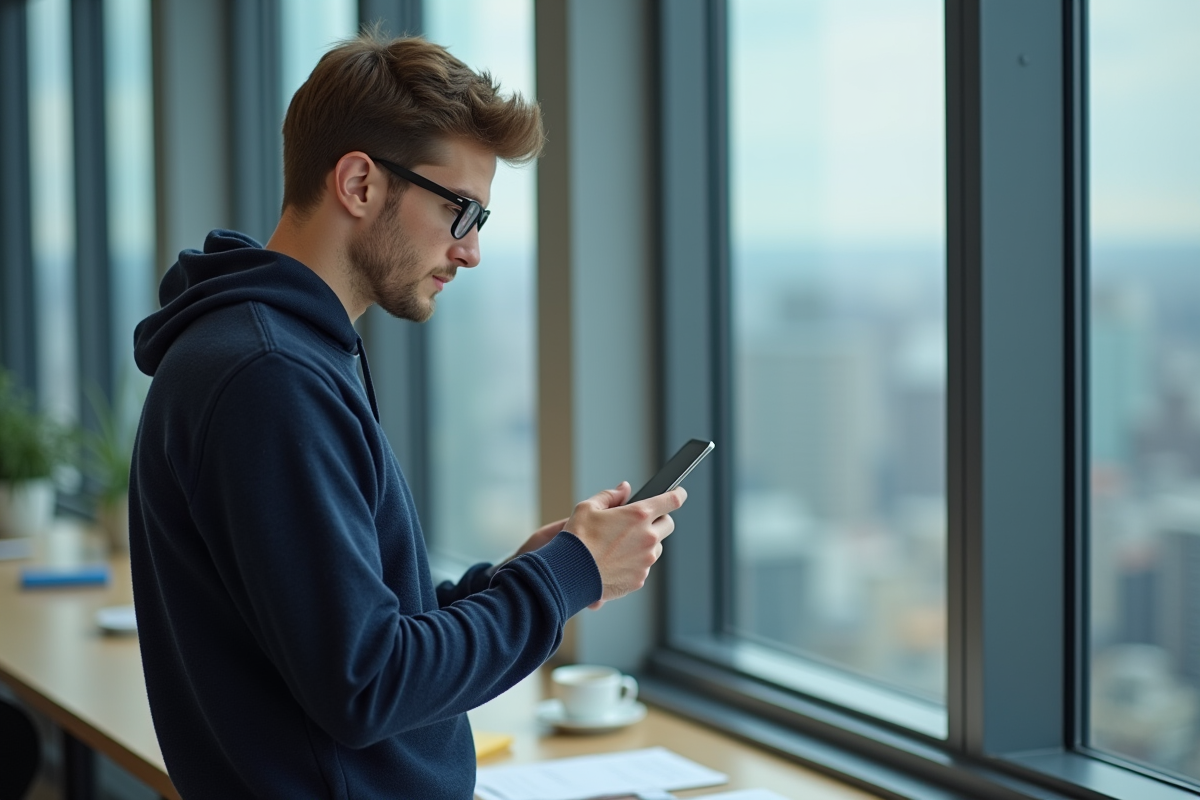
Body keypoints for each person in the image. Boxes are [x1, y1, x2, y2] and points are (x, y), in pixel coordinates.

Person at [129, 32, 685, 799]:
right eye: (461, 210)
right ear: (359, 183)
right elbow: (368, 686)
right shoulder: (272, 376)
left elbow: (355, 640)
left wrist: (531, 577)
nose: (471, 252)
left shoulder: (276, 352)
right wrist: (565, 578)